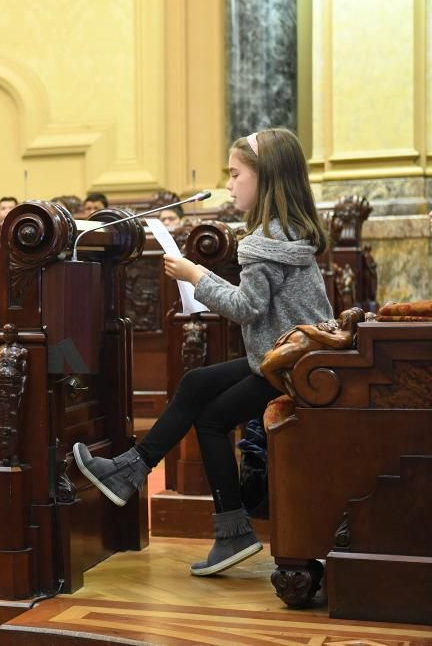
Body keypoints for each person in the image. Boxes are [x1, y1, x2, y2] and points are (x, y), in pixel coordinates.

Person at [74, 128, 332, 576]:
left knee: (211, 420)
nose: (230, 185)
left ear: (264, 178)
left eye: (235, 174)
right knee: (196, 383)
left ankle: (232, 532)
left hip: (286, 368)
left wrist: (196, 275)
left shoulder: (261, 244)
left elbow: (245, 307)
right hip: (301, 360)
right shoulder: (291, 232)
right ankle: (129, 471)